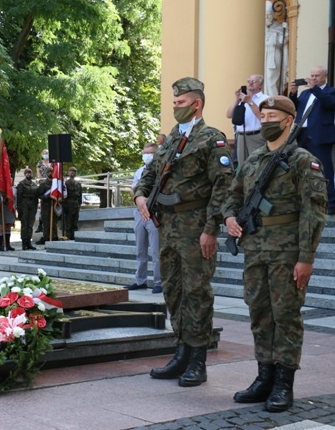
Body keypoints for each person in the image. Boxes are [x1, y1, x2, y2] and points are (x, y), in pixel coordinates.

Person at [223, 96, 327, 412]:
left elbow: (314, 212)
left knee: (286, 317)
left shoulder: (302, 161)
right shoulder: (253, 161)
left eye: (272, 116)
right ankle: (263, 376)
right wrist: (229, 218)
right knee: (259, 314)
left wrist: (306, 257)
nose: (266, 120)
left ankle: (284, 383)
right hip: (255, 249)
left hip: (286, 252)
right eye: (263, 115)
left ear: (287, 121)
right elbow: (232, 196)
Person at [134, 77, 234, 387]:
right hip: (168, 227)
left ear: (196, 104)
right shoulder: (171, 140)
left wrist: (210, 229)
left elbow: (224, 186)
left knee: (197, 293)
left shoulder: (211, 140)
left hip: (196, 227)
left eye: (180, 103)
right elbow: (149, 175)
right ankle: (180, 352)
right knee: (173, 291)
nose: (175, 107)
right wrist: (140, 195)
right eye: (174, 103)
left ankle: (197, 360)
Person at [289, 66, 335, 214]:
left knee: (324, 169)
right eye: (312, 75)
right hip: (302, 135)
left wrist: (316, 89)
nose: (313, 78)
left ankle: (331, 203)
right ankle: (306, 200)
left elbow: (328, 103)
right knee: (303, 167)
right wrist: (293, 94)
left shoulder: (330, 91)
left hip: (320, 135)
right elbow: (294, 107)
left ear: (325, 76)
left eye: (317, 75)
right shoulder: (305, 93)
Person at [129, 143, 162, 293]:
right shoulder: (139, 171)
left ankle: (158, 282)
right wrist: (140, 197)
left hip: (154, 212)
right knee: (140, 250)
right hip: (140, 212)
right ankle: (140, 280)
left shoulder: (161, 170)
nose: (146, 155)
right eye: (145, 152)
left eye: (150, 153)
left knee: (156, 250)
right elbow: (133, 190)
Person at [226, 75, 269, 166]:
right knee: (243, 166)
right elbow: (229, 115)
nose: (250, 83)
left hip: (256, 136)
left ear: (260, 85)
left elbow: (262, 116)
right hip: (241, 137)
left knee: (257, 164)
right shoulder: (242, 99)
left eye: (254, 81)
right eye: (249, 81)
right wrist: (236, 100)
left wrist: (250, 102)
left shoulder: (265, 99)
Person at [264, 0, 288, 97]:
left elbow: (283, 42)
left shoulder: (278, 27)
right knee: (264, 78)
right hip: (265, 54)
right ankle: (266, 98)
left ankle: (272, 101)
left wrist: (285, 31)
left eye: (269, 15)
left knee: (271, 78)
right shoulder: (262, 28)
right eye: (265, 16)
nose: (267, 18)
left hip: (274, 55)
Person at [16, 167, 39, 250]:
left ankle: (29, 241)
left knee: (30, 225)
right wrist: (19, 209)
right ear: (25, 174)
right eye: (27, 173)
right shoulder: (21, 184)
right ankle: (24, 243)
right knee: (24, 225)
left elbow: (36, 196)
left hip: (32, 206)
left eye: (30, 173)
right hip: (24, 206)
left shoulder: (34, 185)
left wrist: (36, 207)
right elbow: (19, 197)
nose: (29, 174)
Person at [35, 166, 59, 244]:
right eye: (48, 172)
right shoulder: (43, 184)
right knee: (46, 223)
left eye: (51, 172)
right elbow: (38, 194)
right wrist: (45, 197)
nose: (50, 173)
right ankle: (46, 238)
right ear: (46, 174)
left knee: (54, 223)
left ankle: (54, 237)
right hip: (46, 206)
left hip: (54, 206)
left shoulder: (56, 184)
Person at [62, 166, 82, 240]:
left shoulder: (78, 184)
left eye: (74, 171)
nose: (72, 173)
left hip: (76, 204)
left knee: (75, 222)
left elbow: (80, 194)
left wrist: (79, 204)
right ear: (68, 173)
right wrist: (64, 206)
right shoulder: (65, 183)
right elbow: (63, 195)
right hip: (68, 204)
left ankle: (74, 237)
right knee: (68, 223)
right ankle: (68, 237)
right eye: (71, 171)